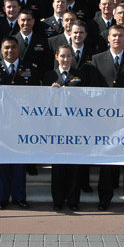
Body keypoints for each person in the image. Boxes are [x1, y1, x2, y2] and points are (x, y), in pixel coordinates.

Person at [91, 25, 124, 211]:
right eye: (114, 35)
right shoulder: (97, 59)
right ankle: (104, 199)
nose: (117, 38)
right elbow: (94, 90)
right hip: (105, 120)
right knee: (107, 164)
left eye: (120, 35)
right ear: (108, 38)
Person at [0, 37, 41, 210]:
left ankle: (19, 197)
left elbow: (38, 94)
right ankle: (2, 198)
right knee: (1, 162)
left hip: (22, 123)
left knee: (19, 162)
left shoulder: (30, 69)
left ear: (19, 49)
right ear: (1, 50)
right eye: (6, 48)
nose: (10, 51)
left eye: (14, 47)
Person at [43, 45, 89, 211]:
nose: (65, 59)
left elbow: (86, 98)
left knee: (74, 167)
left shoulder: (80, 75)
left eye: (68, 56)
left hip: (76, 128)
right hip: (56, 129)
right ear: (56, 57)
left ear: (72, 58)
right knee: (58, 168)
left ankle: (73, 200)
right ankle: (58, 201)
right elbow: (40, 102)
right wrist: (50, 92)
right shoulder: (49, 76)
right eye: (62, 56)